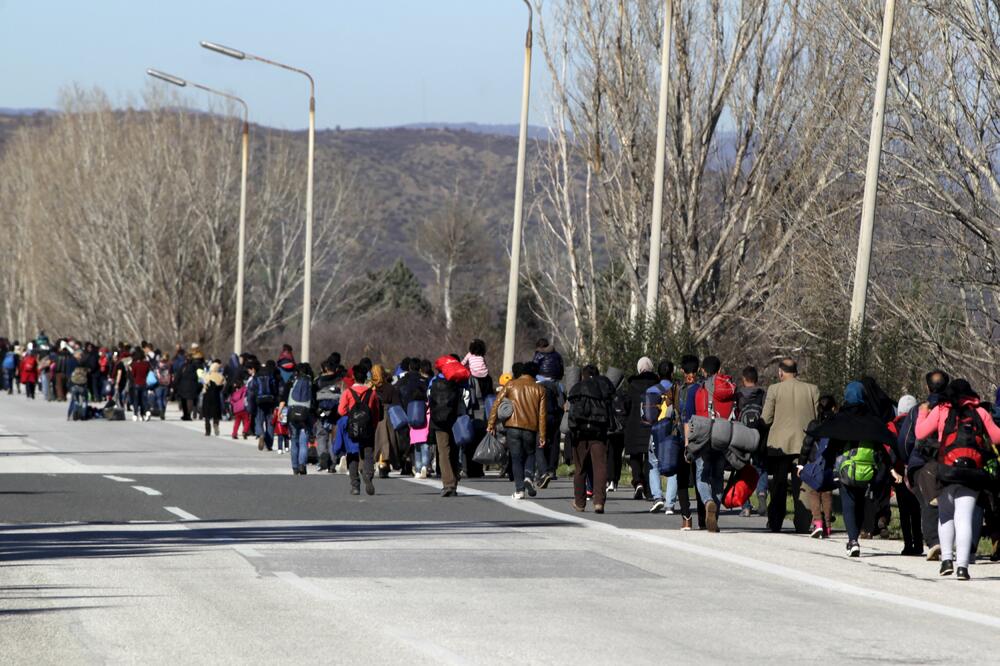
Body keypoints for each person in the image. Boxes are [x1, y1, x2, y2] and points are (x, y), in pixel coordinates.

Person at [916, 379, 1000, 580]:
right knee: (964, 519)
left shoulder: (942, 409)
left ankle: (946, 560)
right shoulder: (979, 411)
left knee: (946, 515)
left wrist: (922, 413)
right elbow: (997, 438)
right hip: (972, 472)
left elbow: (920, 433)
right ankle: (962, 567)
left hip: (946, 469)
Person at [810, 381, 899, 558]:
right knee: (859, 503)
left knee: (849, 504)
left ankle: (853, 540)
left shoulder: (841, 418)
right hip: (867, 471)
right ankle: (856, 534)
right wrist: (891, 466)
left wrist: (824, 465)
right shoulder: (872, 419)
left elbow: (831, 442)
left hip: (846, 469)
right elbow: (885, 442)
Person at [761, 358, 819, 533]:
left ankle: (775, 520)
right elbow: (816, 419)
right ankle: (802, 522)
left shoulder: (774, 389)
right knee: (801, 484)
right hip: (804, 443)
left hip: (779, 444)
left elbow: (766, 418)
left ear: (780, 372)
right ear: (796, 371)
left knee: (778, 484)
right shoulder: (812, 389)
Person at [683, 355, 735, 533]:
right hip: (724, 436)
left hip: (704, 436)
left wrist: (689, 442)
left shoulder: (699, 390)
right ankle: (715, 514)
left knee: (702, 476)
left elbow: (694, 417)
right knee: (718, 477)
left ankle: (707, 502)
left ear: (703, 371)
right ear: (720, 370)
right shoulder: (729, 388)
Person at [903, 370, 950, 561]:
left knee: (928, 502)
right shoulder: (953, 408)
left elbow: (906, 439)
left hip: (923, 462)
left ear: (927, 386)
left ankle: (934, 541)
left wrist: (908, 460)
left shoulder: (919, 409)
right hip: (949, 460)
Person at [487, 361, 547, 500]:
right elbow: (542, 415)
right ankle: (528, 477)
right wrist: (542, 434)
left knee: (516, 458)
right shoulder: (540, 389)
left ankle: (519, 490)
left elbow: (496, 404)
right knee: (530, 453)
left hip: (512, 426)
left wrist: (491, 424)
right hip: (530, 428)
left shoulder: (511, 384)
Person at [568, 365, 614, 513]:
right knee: (600, 467)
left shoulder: (577, 388)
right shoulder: (604, 388)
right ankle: (599, 502)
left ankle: (580, 503)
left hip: (580, 432)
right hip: (598, 432)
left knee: (580, 468)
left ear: (583, 375)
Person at [619, 357, 660, 500]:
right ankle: (649, 489)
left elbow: (626, 406)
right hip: (652, 426)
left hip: (634, 426)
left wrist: (625, 423)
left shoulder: (632, 385)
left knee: (635, 456)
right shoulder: (657, 384)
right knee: (650, 458)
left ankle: (638, 482)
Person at [798, 395, 838, 538]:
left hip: (815, 463)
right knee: (827, 493)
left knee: (814, 492)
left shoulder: (814, 424)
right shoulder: (836, 424)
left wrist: (801, 464)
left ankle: (817, 522)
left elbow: (806, 445)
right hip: (831, 463)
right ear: (834, 407)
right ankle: (827, 525)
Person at [338, 363, 381, 493]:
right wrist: (372, 425)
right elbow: (376, 413)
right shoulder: (372, 393)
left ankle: (355, 485)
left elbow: (341, 411)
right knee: (368, 454)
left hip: (352, 428)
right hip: (367, 428)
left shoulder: (348, 392)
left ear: (354, 377)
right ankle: (368, 477)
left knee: (352, 454)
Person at [429, 356, 467, 497]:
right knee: (455, 450)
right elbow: (467, 399)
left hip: (438, 421)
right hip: (455, 419)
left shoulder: (433, 381)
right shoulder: (460, 381)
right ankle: (455, 481)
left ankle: (448, 484)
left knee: (443, 452)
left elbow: (429, 399)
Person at [892, 394, 924, 555]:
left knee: (904, 511)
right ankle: (919, 543)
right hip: (915, 470)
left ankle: (908, 544)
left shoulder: (892, 425)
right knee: (916, 509)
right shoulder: (918, 424)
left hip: (898, 471)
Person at [644, 360, 677, 513]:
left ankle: (657, 497)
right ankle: (670, 504)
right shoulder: (677, 389)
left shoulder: (651, 390)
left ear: (658, 374)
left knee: (653, 464)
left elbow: (644, 415)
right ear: (672, 373)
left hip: (655, 430)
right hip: (672, 431)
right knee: (673, 465)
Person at [735, 366, 768, 517]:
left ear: (744, 379)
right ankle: (761, 495)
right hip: (759, 435)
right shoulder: (762, 394)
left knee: (743, 469)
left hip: (742, 435)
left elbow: (735, 414)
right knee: (761, 468)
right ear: (756, 379)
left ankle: (746, 506)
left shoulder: (739, 394)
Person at [314, 361, 344, 471]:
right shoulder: (339, 380)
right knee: (333, 438)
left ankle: (322, 455)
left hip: (321, 412)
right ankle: (332, 463)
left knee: (321, 435)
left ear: (325, 368)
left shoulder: (319, 380)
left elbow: (314, 395)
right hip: (335, 413)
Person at [176, 347, 203, 421]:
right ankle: (188, 415)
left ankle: (186, 415)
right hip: (192, 386)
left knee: (184, 400)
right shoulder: (197, 366)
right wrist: (200, 385)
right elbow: (201, 376)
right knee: (189, 400)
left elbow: (178, 376)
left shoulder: (183, 366)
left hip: (183, 386)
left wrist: (175, 385)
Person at [201, 361, 225, 436]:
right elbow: (223, 386)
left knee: (207, 415)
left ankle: (207, 430)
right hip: (216, 396)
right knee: (216, 413)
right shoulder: (220, 376)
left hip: (207, 397)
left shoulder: (207, 375)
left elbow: (204, 385)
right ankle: (216, 424)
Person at [129, 348, 151, 422]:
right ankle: (145, 412)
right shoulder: (147, 364)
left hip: (136, 384)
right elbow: (147, 372)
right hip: (144, 383)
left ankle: (135, 414)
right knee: (144, 400)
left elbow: (133, 374)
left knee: (136, 400)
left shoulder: (135, 365)